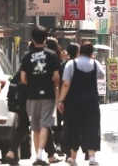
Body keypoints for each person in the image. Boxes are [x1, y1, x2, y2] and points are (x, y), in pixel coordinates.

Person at [58, 42, 104, 166]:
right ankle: (92, 158)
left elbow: (66, 84)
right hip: (91, 103)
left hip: (74, 103)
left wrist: (61, 100)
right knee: (92, 128)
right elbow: (101, 76)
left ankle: (73, 158)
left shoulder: (71, 64)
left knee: (74, 129)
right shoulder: (95, 64)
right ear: (91, 53)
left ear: (80, 52)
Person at [21, 26, 61, 166]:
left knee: (35, 126)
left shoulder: (27, 56)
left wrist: (32, 84)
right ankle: (39, 155)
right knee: (46, 124)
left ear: (32, 38)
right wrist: (55, 89)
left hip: (31, 95)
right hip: (48, 94)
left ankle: (38, 156)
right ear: (45, 39)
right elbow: (56, 77)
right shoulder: (51, 54)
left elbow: (23, 78)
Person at [59, 43, 80, 158]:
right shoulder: (79, 65)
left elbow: (60, 83)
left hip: (66, 99)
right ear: (77, 52)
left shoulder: (63, 66)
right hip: (78, 99)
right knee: (78, 125)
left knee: (67, 125)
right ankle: (79, 150)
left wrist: (59, 100)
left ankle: (67, 149)